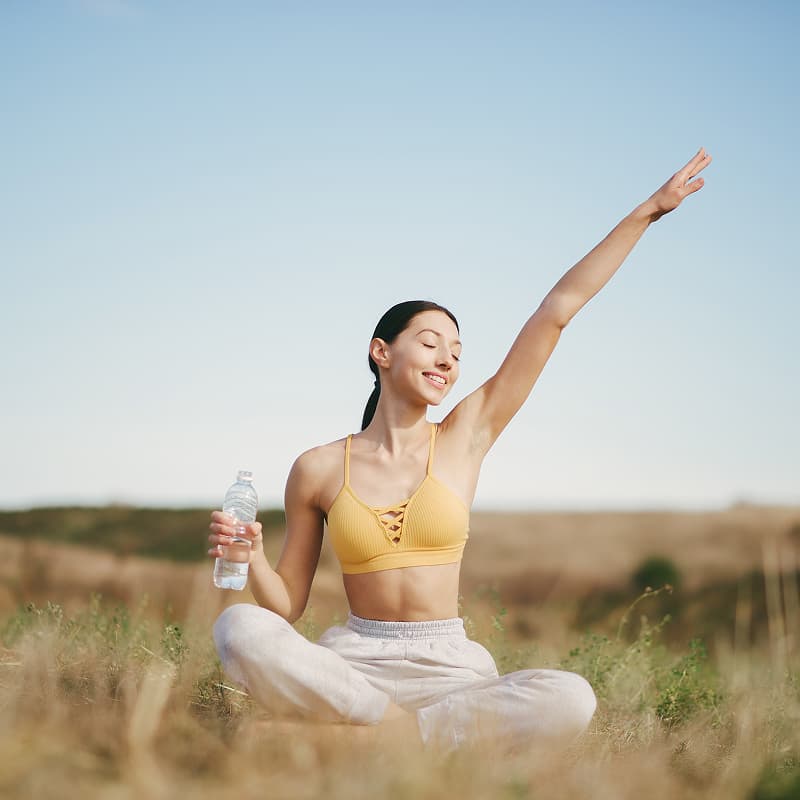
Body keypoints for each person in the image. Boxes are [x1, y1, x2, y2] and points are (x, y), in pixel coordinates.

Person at [209, 147, 712, 753]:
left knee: (571, 697)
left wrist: (649, 211)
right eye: (430, 343)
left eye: (456, 351)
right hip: (355, 666)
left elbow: (556, 312)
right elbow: (286, 607)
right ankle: (406, 737)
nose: (447, 359)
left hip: (451, 670)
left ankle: (361, 743)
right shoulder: (316, 469)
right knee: (239, 626)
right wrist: (254, 558)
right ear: (381, 352)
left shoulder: (464, 437)